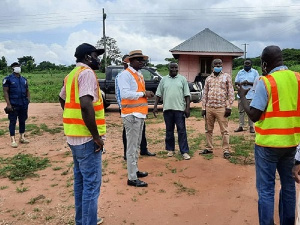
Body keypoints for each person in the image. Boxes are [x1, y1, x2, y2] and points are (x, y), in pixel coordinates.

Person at [238, 45, 300, 225]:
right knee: (288, 187)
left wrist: (242, 96)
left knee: (266, 190)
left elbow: (254, 115)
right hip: (292, 144)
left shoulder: (266, 82)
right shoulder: (297, 79)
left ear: (264, 64)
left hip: (267, 145)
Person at [59, 43, 106, 225]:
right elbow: (86, 105)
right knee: (91, 186)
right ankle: (88, 222)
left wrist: (74, 118)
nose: (98, 59)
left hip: (74, 137)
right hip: (87, 139)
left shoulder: (71, 75)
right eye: (96, 55)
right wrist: (96, 136)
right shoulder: (86, 73)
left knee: (81, 183)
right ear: (87, 57)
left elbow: (61, 98)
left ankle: (83, 220)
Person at [118, 50, 154, 187]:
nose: (141, 62)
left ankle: (135, 170)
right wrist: (143, 93)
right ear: (130, 61)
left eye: (142, 59)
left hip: (139, 114)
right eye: (138, 59)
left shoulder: (138, 74)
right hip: (131, 115)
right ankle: (132, 178)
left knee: (137, 145)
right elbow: (125, 94)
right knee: (132, 147)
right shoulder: (125, 75)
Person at [153, 62, 191, 160]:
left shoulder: (182, 79)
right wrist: (155, 106)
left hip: (179, 110)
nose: (174, 69)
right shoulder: (164, 80)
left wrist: (187, 108)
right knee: (169, 130)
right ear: (168, 68)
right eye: (172, 67)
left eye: (176, 67)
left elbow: (187, 95)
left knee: (181, 131)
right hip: (167, 109)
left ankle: (184, 151)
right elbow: (158, 94)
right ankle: (170, 149)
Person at [200, 59, 235, 159]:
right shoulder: (208, 79)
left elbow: (231, 93)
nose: (218, 65)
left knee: (224, 130)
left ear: (222, 65)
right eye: (216, 64)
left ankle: (226, 150)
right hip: (209, 108)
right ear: (212, 66)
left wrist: (229, 107)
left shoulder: (226, 77)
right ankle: (209, 148)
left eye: (220, 64)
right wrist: (203, 108)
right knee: (208, 130)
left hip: (221, 108)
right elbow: (205, 93)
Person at [2, 62, 30, 148]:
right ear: (12, 68)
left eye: (19, 66)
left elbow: (27, 90)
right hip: (13, 104)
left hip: (23, 104)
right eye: (16, 67)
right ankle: (13, 139)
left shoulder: (24, 79)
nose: (18, 68)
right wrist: (8, 104)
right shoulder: (8, 79)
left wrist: (28, 99)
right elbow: (5, 92)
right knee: (13, 121)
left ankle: (22, 137)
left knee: (22, 120)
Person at [234, 59, 259, 133]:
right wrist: (241, 83)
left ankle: (251, 127)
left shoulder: (255, 72)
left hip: (251, 95)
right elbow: (236, 82)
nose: (246, 65)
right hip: (241, 95)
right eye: (245, 64)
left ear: (251, 65)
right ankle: (241, 126)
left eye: (248, 64)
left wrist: (248, 83)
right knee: (241, 111)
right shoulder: (240, 72)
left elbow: (257, 82)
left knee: (250, 112)